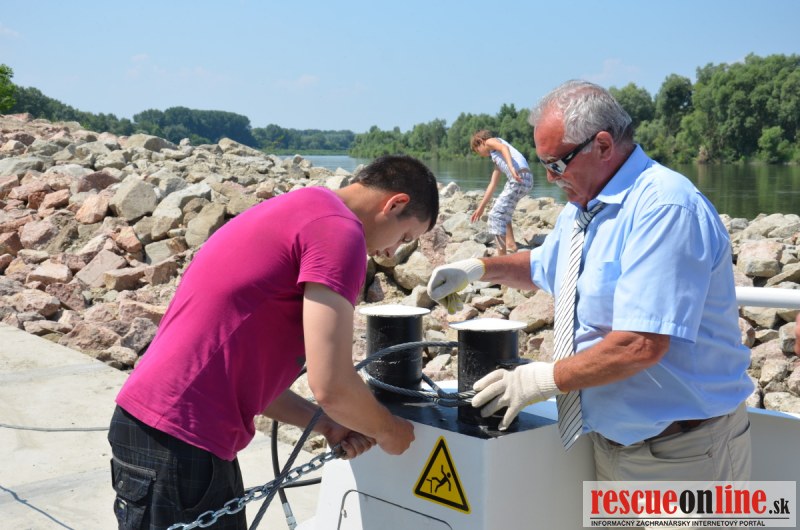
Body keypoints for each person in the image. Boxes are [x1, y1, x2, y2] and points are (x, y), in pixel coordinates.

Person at [428, 80, 753, 484]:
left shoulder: (665, 207)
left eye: (556, 164)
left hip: (683, 454)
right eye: (544, 164)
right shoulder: (583, 207)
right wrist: (477, 268)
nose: (550, 177)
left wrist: (541, 380)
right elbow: (543, 266)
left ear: (602, 145)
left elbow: (641, 344)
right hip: (609, 444)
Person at [108, 154, 439, 529]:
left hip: (162, 430)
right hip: (179, 442)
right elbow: (332, 385)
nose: (391, 253)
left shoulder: (305, 206)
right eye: (404, 237)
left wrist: (327, 425)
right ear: (395, 204)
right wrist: (390, 431)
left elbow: (249, 379)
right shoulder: (341, 233)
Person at [469, 130, 534, 255]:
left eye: (477, 151)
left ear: (480, 142)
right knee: (503, 210)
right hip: (525, 179)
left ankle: (501, 257)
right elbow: (493, 184)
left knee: (495, 215)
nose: (479, 154)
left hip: (518, 178)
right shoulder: (497, 157)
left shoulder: (490, 142)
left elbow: (504, 148)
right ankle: (511, 244)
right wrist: (481, 207)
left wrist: (511, 167)